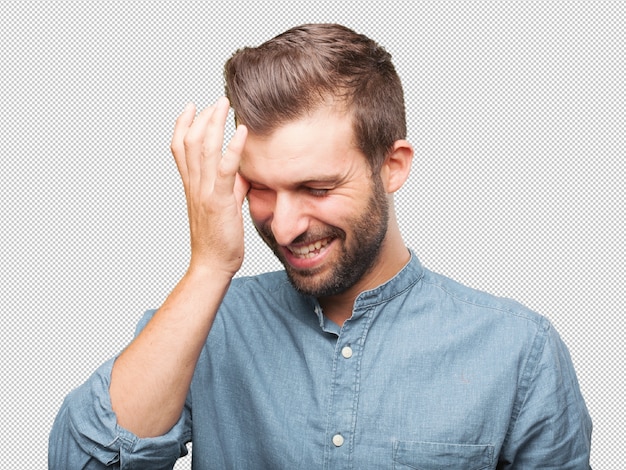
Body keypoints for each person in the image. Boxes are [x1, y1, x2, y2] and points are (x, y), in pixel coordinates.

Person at [49, 23, 592, 469]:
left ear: (392, 165)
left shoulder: (519, 350)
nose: (283, 227)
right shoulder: (205, 325)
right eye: (260, 188)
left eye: (317, 189)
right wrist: (210, 266)